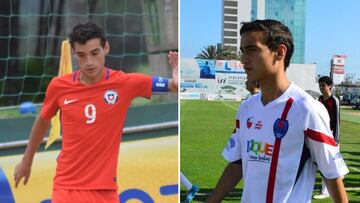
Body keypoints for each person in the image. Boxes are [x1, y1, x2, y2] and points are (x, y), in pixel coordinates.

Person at [13, 22, 178, 203]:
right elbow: (43, 120)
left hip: (105, 191)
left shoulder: (124, 83)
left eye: (94, 53)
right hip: (67, 188)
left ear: (106, 48)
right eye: (82, 56)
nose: (89, 62)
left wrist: (177, 79)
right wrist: (26, 162)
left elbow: (171, 86)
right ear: (74, 54)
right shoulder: (59, 86)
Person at [206, 19, 348, 203]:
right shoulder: (246, 108)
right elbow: (236, 165)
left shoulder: (307, 109)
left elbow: (332, 175)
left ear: (279, 53)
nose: (243, 59)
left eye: (252, 50)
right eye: (243, 51)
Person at [314, 76, 341, 199]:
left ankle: (325, 191)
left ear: (330, 86)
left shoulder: (334, 101)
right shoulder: (319, 99)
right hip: (321, 136)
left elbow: (336, 122)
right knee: (322, 163)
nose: (321, 88)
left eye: (323, 85)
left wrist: (335, 140)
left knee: (330, 165)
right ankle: (325, 189)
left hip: (331, 138)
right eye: (320, 85)